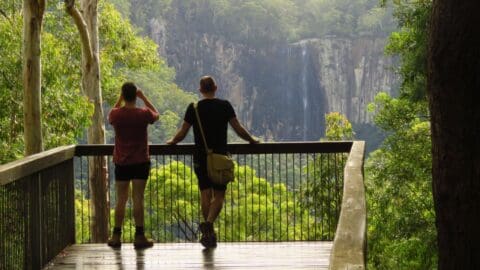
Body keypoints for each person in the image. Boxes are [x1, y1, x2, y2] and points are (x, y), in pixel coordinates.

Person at [167, 75, 259, 248]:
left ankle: (208, 231)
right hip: (219, 158)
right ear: (215, 87)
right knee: (219, 195)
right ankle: (209, 223)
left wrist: (172, 142)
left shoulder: (193, 108)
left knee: (205, 194)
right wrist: (252, 140)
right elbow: (238, 128)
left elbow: (183, 132)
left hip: (201, 158)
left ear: (200, 90)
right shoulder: (225, 106)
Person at [107, 82, 159, 249]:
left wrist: (120, 99)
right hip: (140, 161)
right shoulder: (143, 113)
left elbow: (110, 116)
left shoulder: (117, 114)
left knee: (121, 200)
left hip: (122, 162)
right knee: (138, 198)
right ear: (135, 95)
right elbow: (156, 114)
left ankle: (116, 236)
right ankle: (139, 236)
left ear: (123, 95)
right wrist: (143, 97)